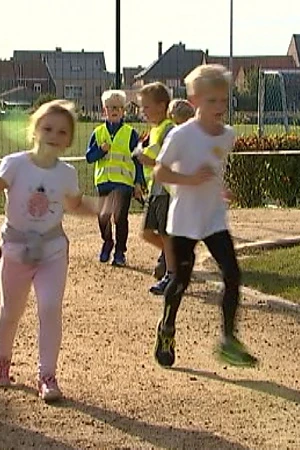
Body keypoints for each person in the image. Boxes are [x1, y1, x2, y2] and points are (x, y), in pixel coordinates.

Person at [0, 99, 99, 403]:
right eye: (48, 127)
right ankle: (1, 362)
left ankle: (47, 375)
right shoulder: (15, 163)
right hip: (14, 249)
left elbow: (74, 205)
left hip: (52, 251)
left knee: (50, 308)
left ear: (69, 139)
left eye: (62, 131)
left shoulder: (67, 173)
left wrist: (101, 208)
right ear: (34, 129)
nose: (54, 135)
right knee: (11, 310)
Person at [152, 64, 258, 368]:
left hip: (213, 218)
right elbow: (160, 170)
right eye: (212, 101)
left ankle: (228, 339)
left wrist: (220, 190)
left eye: (224, 100)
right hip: (184, 219)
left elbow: (214, 169)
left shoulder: (227, 135)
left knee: (233, 275)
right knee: (181, 281)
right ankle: (167, 327)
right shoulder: (182, 136)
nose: (220, 107)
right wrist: (190, 180)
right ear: (195, 101)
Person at [85, 90, 145, 266]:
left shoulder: (130, 133)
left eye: (117, 107)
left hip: (124, 183)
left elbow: (138, 160)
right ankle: (107, 242)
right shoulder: (97, 133)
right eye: (110, 107)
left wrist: (138, 183)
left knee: (120, 217)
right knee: (103, 216)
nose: (113, 110)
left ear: (123, 110)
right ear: (104, 110)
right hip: (103, 181)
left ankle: (120, 251)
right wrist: (100, 150)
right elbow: (89, 157)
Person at [134, 82, 177, 295]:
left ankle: (172, 273)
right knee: (147, 233)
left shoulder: (169, 129)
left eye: (146, 107)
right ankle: (177, 259)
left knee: (164, 233)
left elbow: (169, 159)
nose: (143, 112)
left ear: (161, 106)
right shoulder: (156, 129)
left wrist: (147, 161)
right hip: (155, 189)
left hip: (166, 191)